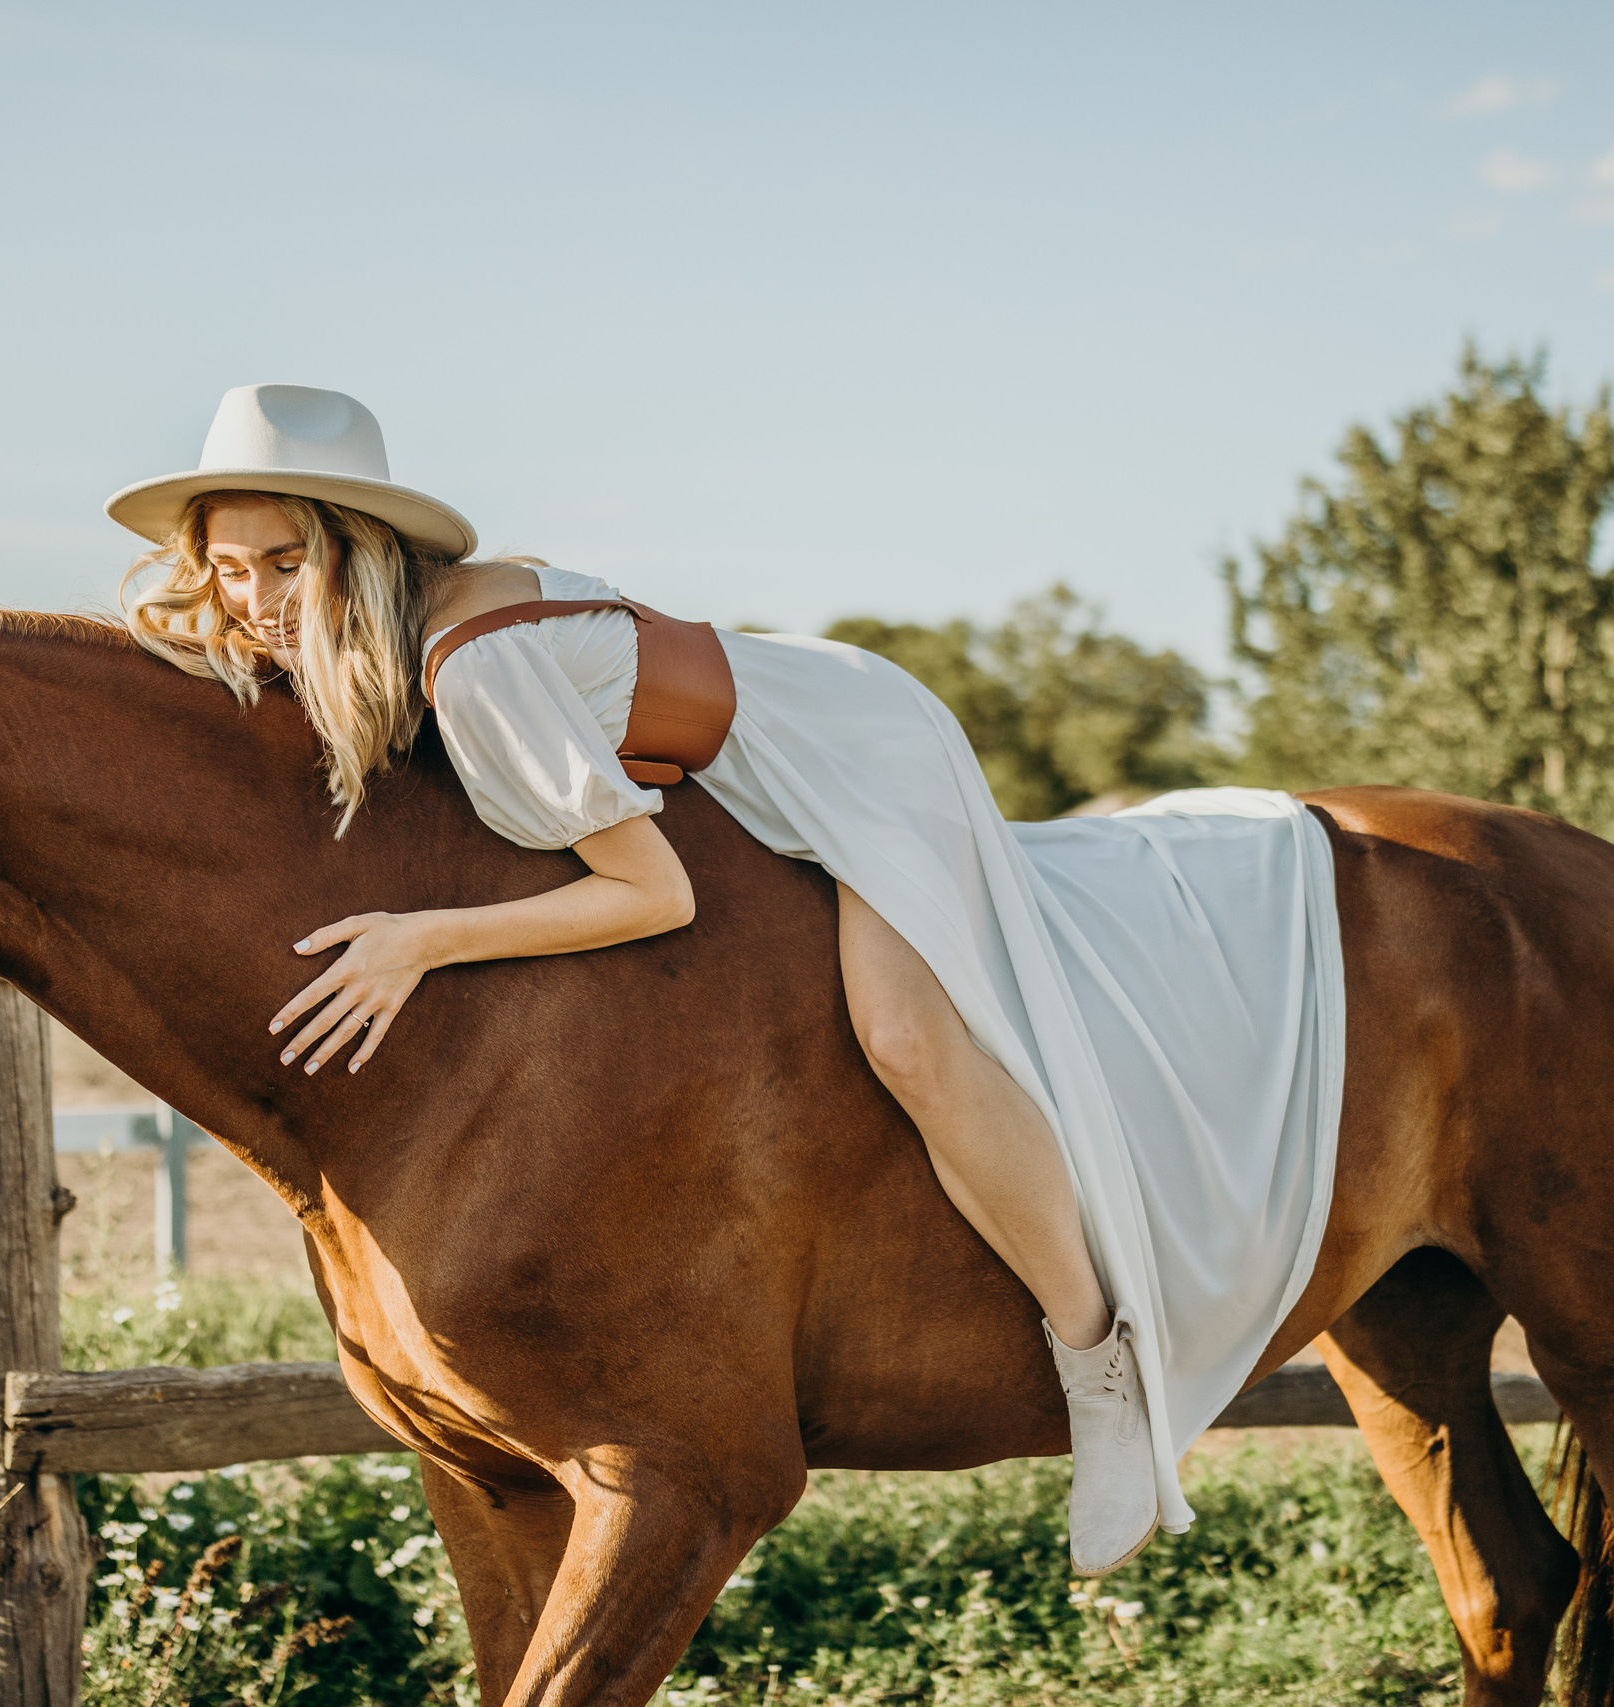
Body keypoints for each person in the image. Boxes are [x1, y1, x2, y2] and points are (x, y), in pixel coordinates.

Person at [112, 384, 1343, 1575]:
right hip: (763, 753)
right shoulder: (382, 634)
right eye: (230, 567)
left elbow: (654, 896)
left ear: (359, 549)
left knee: (909, 1036)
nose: (257, 598)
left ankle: (1104, 1369)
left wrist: (420, 939)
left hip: (858, 753)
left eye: (287, 563)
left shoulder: (470, 668)